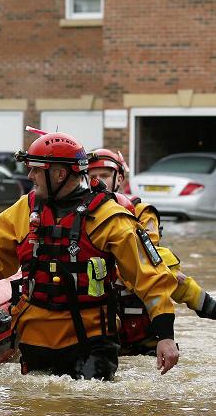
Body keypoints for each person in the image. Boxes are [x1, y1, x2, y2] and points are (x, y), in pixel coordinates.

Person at [0, 132, 180, 380]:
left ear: (60, 174)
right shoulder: (22, 211)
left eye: (36, 170)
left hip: (90, 342)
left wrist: (165, 337)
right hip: (35, 338)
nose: (29, 175)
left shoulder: (109, 218)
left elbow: (151, 278)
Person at [88, 148, 216, 355]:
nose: (97, 181)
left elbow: (145, 254)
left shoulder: (141, 211)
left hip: (133, 279)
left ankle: (207, 306)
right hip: (97, 285)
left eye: (103, 176)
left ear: (119, 178)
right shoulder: (81, 212)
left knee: (165, 263)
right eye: (92, 176)